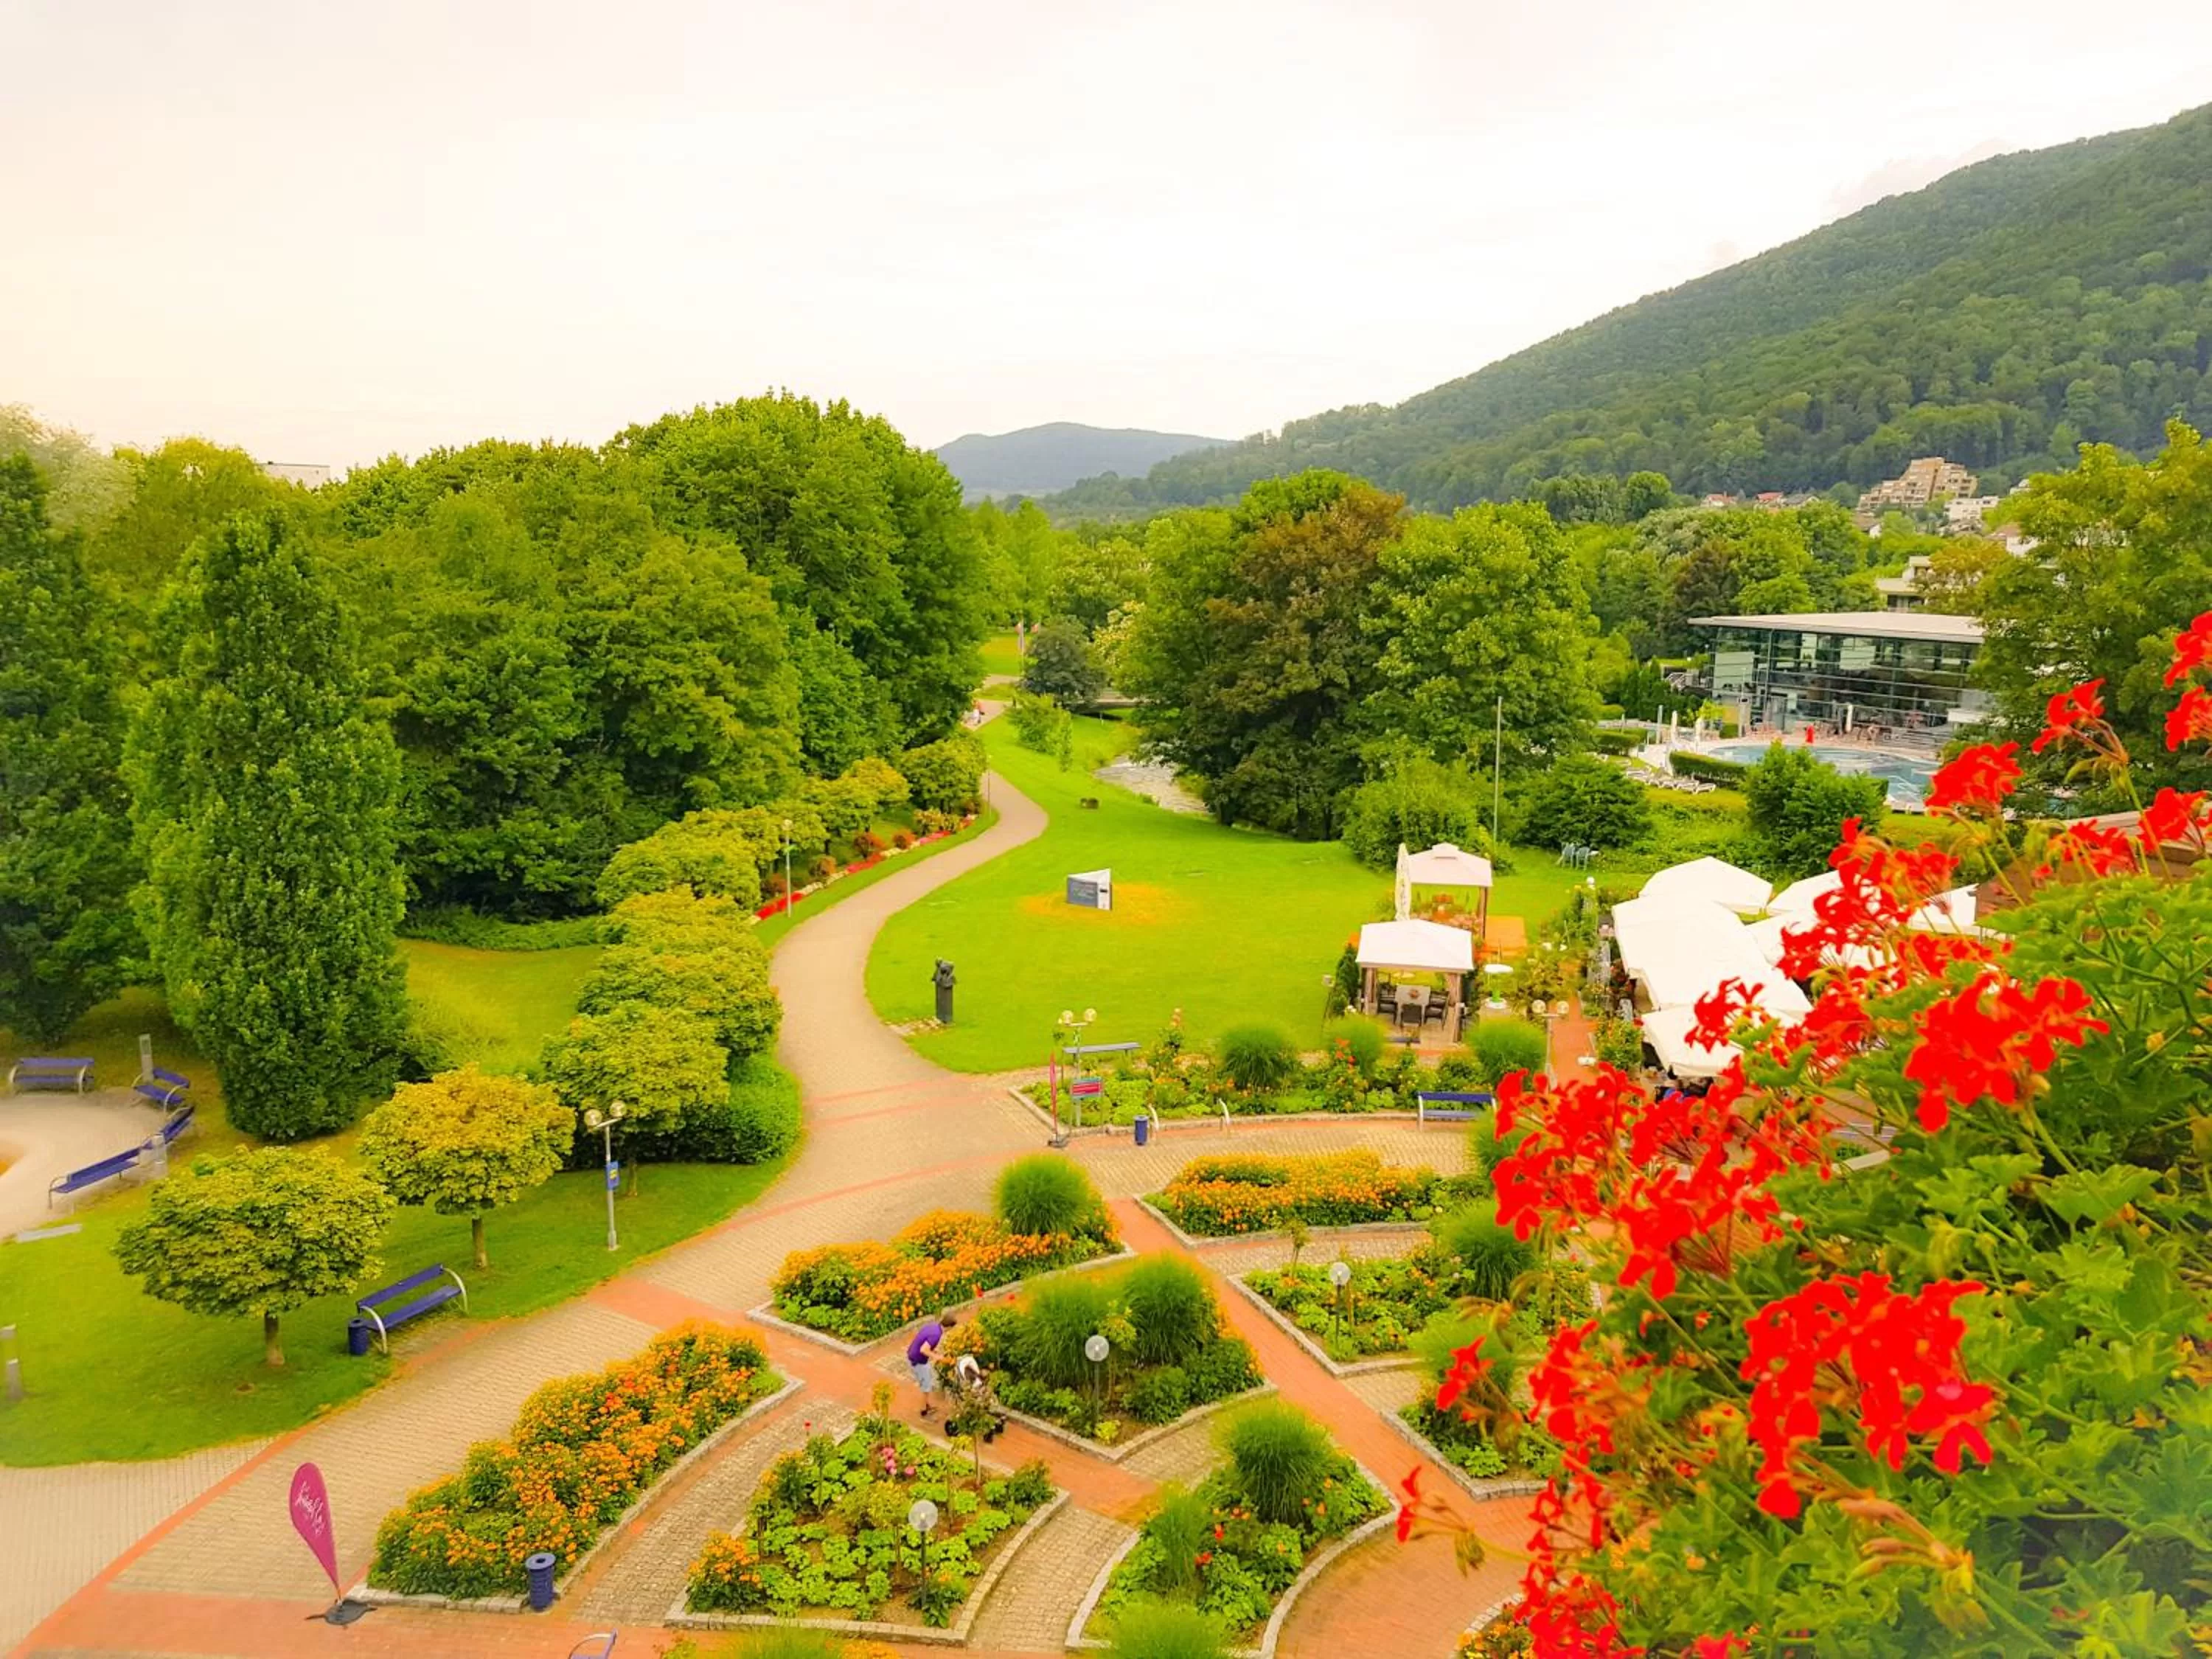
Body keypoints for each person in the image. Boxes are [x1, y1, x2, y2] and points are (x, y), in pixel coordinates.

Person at [908, 1310, 956, 1418]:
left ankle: (926, 1404)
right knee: (926, 1388)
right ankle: (923, 1411)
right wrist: (937, 1357)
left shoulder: (934, 1326)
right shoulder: (937, 1335)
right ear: (949, 1327)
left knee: (927, 1381)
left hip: (914, 1356)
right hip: (918, 1361)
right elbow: (924, 1350)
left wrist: (933, 1352)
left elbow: (924, 1343)